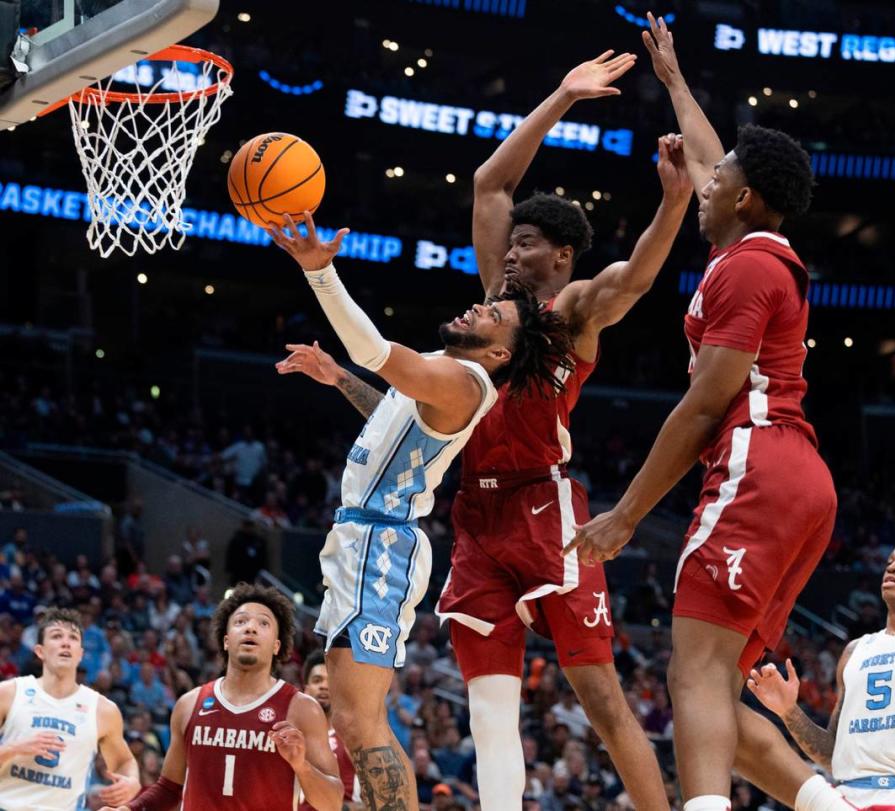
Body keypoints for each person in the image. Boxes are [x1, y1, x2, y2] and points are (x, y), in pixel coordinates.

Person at [289, 51, 693, 811]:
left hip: (545, 506)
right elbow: (489, 185)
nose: (510, 251)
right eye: (511, 243)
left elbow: (635, 276)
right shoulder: (486, 316)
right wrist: (562, 94)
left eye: (528, 245)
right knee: (487, 706)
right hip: (473, 511)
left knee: (599, 693)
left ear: (562, 256)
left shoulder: (568, 311)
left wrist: (671, 206)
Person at [567, 14, 895, 811]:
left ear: (743, 198)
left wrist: (626, 514)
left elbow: (706, 400)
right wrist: (677, 83)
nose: (702, 181)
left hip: (758, 462)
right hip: (798, 480)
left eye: (717, 183)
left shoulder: (746, 268)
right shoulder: (753, 249)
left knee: (692, 671)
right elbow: (720, 157)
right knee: (719, 690)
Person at [270, 213, 576, 809]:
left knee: (358, 723)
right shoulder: (447, 374)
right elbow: (393, 418)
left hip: (381, 547)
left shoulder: (463, 383)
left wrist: (320, 273)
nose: (477, 308)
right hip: (363, 539)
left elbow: (372, 349)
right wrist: (338, 380)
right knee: (355, 722)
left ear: (497, 352)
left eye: (492, 317)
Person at [749, 540, 895, 810]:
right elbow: (831, 754)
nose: (893, 567)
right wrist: (789, 711)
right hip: (848, 796)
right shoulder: (855, 650)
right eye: (890, 562)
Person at [102, 583, 343, 811]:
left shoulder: (301, 709)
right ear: (226, 641)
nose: (251, 628)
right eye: (240, 621)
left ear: (277, 646)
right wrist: (129, 808)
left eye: (264, 624)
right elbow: (169, 789)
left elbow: (332, 803)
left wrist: (301, 766)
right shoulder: (189, 704)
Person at [0, 607, 141, 811]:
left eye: (73, 638)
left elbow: (123, 762)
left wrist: (131, 781)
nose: (66, 642)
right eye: (56, 636)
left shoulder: (103, 710)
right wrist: (15, 749)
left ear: (81, 654)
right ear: (40, 651)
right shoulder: (8, 693)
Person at [301, 649, 361, 809]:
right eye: (317, 680)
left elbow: (380, 798)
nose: (324, 686)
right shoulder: (289, 736)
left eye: (331, 681)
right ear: (305, 689)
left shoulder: (352, 738)